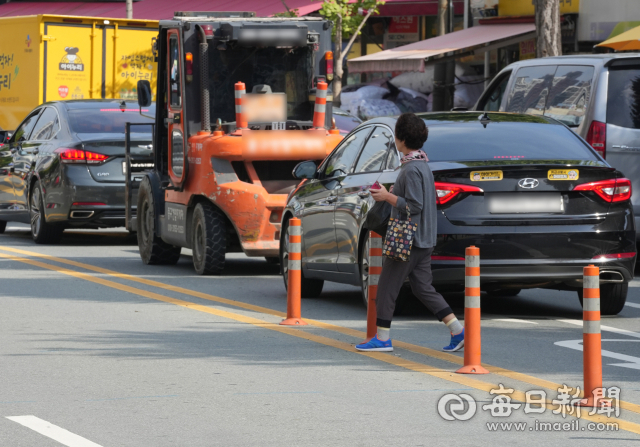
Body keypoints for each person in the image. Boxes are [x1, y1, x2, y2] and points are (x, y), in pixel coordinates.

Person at [355, 113, 464, 353]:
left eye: (396, 134)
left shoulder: (412, 169)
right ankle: (457, 330)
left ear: (402, 138)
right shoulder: (422, 164)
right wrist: (393, 192)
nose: (394, 139)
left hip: (408, 240)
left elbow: (414, 206)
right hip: (423, 239)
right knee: (422, 288)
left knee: (386, 288)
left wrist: (386, 196)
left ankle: (382, 338)